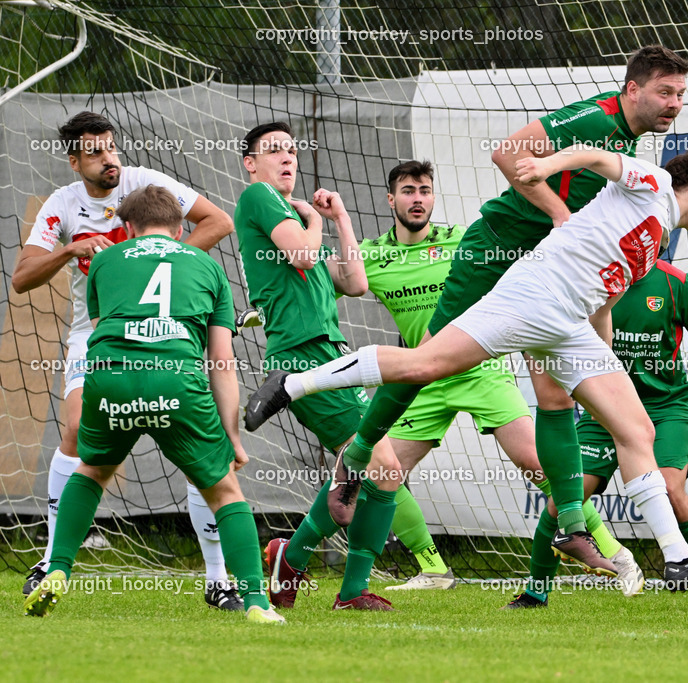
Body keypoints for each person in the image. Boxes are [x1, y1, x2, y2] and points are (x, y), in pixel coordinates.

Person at [263, 46, 688, 580]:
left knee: (554, 399)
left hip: (545, 282)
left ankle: (575, 528)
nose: (674, 104)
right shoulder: (595, 116)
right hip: (499, 254)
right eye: (665, 92)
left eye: (680, 94)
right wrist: (561, 215)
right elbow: (509, 153)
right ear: (632, 90)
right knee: (422, 367)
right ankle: (354, 456)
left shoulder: (631, 151)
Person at [246, 144, 688, 596]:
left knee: (637, 429)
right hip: (534, 297)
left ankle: (679, 560)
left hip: (569, 322)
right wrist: (547, 167)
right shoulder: (656, 185)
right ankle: (292, 384)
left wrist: (603, 350)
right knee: (424, 363)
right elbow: (596, 157)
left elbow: (603, 296)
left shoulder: (654, 238)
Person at [352, 160, 641, 591]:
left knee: (538, 463)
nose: (418, 199)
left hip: (482, 371)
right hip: (425, 377)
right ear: (391, 199)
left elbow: (524, 275)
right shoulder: (371, 255)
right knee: (380, 471)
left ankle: (613, 553)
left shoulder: (462, 241)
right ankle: (433, 569)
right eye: (409, 191)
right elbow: (329, 282)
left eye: (425, 190)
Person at [10, 111, 240, 609]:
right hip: (94, 332)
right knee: (75, 434)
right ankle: (52, 561)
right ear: (74, 161)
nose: (108, 158)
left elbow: (218, 220)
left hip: (165, 324)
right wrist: (70, 249)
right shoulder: (62, 205)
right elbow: (22, 277)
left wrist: (158, 266)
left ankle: (219, 577)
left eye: (111, 146)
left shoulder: (146, 184)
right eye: (94, 151)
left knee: (201, 452)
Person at [22, 186, 283, 624]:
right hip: (176, 382)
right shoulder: (207, 266)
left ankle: (57, 568)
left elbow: (104, 329)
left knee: (92, 469)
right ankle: (256, 601)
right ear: (181, 229)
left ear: (128, 228)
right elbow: (221, 361)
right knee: (223, 490)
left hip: (110, 379)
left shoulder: (103, 261)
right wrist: (232, 435)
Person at [234, 122, 402, 611]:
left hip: (331, 354)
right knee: (383, 468)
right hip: (300, 355)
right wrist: (315, 222)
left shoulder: (294, 215)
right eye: (274, 150)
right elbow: (304, 254)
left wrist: (341, 217)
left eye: (292, 150)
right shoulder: (260, 198)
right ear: (251, 163)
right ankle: (348, 590)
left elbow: (354, 281)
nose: (287, 157)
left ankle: (293, 558)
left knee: (375, 471)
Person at [569, 254, 688, 613]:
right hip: (607, 406)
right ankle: (535, 592)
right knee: (564, 496)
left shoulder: (676, 282)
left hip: (665, 407)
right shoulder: (590, 277)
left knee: (671, 487)